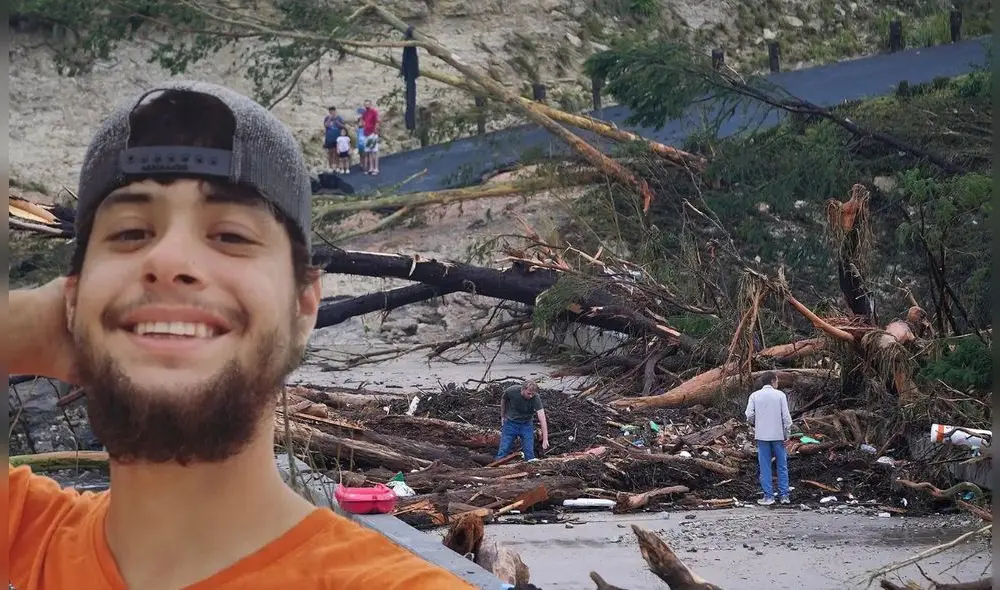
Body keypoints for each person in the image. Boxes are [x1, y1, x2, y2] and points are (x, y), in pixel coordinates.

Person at [7, 81, 474, 590]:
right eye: (130, 233)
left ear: (303, 306)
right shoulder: (26, 538)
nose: (169, 261)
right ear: (71, 299)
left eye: (230, 235)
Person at [745, 371, 793, 505]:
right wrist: (787, 434)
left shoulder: (754, 396)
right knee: (782, 465)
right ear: (772, 381)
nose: (777, 383)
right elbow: (786, 417)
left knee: (765, 466)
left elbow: (749, 415)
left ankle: (769, 496)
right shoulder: (780, 395)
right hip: (778, 436)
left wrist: (757, 422)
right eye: (777, 381)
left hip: (762, 435)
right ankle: (784, 496)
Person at [495, 380, 549, 462]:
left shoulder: (535, 397)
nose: (531, 396)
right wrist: (502, 415)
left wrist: (545, 439)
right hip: (511, 424)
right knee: (503, 450)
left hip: (526, 425)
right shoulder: (512, 391)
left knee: (529, 452)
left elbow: (542, 417)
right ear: (522, 389)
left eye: (532, 394)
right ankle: (496, 469)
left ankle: (531, 472)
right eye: (529, 393)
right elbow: (503, 399)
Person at [361, 99, 380, 175]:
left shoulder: (374, 112)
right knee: (369, 151)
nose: (366, 105)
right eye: (365, 104)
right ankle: (371, 167)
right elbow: (363, 121)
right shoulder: (364, 113)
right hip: (366, 134)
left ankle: (376, 168)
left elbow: (377, 121)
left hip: (372, 133)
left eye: (368, 104)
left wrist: (375, 131)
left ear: (370, 104)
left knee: (374, 151)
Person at [322, 106, 345, 172]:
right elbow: (326, 125)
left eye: (333, 111)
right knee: (330, 153)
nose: (332, 113)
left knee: (336, 153)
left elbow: (343, 126)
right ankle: (330, 167)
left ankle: (337, 166)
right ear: (329, 112)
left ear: (335, 111)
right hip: (329, 139)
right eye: (330, 111)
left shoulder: (339, 118)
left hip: (337, 138)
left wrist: (337, 122)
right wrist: (330, 118)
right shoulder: (327, 118)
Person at [355, 107, 368, 173]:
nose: (361, 123)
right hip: (360, 144)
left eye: (363, 122)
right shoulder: (358, 130)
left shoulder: (365, 129)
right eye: (360, 122)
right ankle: (361, 164)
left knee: (365, 155)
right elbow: (357, 137)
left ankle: (365, 166)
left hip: (365, 143)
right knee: (361, 155)